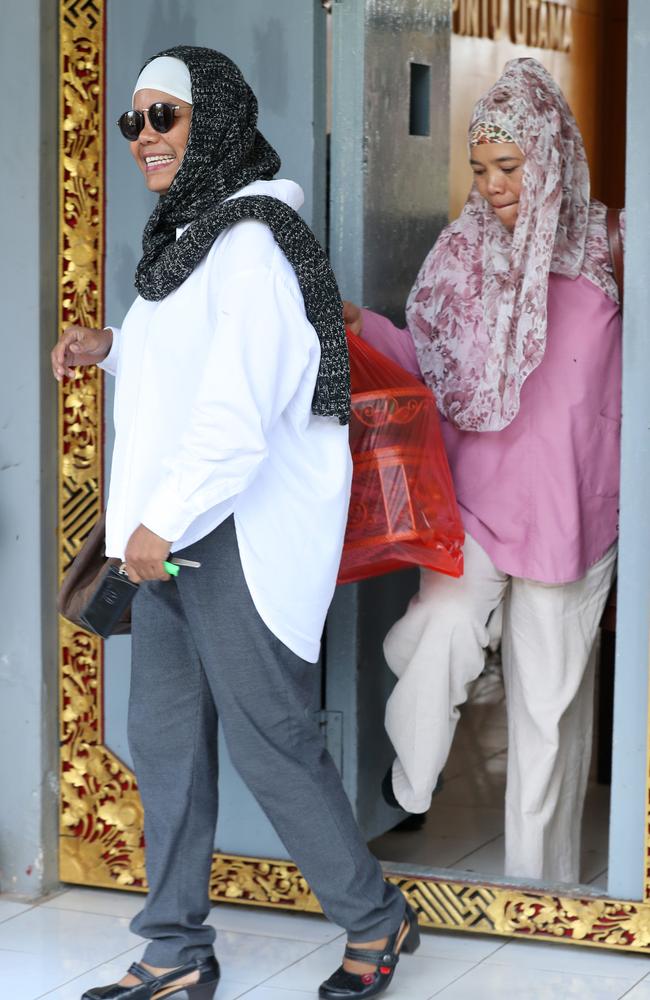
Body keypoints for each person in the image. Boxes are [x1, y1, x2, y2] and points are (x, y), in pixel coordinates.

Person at [51, 46, 419, 1000]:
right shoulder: (192, 237)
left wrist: (155, 525)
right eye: (131, 122)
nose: (143, 138)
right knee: (164, 737)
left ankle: (376, 921)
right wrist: (115, 348)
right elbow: (193, 370)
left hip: (232, 537)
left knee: (271, 741)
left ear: (212, 116)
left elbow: (236, 416)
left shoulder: (256, 243)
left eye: (162, 116)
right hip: (176, 538)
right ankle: (173, 948)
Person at [345, 58, 622, 884]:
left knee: (549, 707)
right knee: (438, 632)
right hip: (474, 507)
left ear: (552, 157)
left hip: (575, 514)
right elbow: (424, 368)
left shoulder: (611, 245)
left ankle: (541, 884)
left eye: (510, 167)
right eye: (481, 169)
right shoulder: (461, 254)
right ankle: (411, 777)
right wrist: (362, 323)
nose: (494, 187)